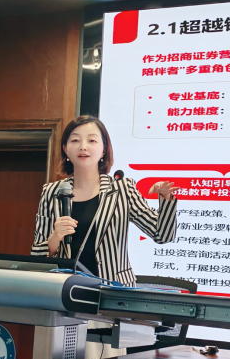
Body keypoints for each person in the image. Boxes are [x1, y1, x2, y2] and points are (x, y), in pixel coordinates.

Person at [31, 115, 178, 285]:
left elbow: (162, 235)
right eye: (75, 140)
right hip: (66, 289)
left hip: (112, 290)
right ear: (65, 149)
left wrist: (165, 198)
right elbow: (36, 257)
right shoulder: (51, 192)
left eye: (92, 141)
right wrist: (55, 237)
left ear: (103, 150)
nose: (83, 146)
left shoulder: (122, 189)